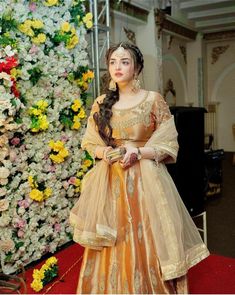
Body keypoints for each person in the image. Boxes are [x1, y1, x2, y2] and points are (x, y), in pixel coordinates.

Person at [70, 42, 209, 294]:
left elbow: (169, 144)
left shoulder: (153, 100)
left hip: (147, 180)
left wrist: (138, 152)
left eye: (124, 61)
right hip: (111, 178)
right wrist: (105, 152)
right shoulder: (101, 103)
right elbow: (90, 141)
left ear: (137, 67)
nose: (117, 67)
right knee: (113, 234)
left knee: (147, 232)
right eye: (113, 61)